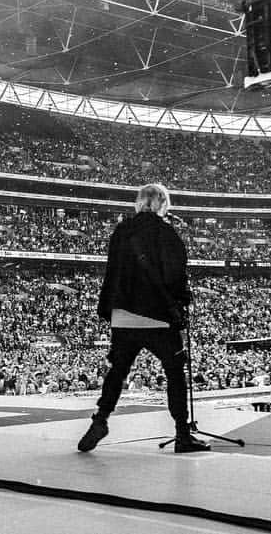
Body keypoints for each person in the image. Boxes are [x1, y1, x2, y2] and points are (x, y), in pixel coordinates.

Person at [77, 183, 209, 454]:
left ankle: (100, 419)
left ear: (139, 202)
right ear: (163, 204)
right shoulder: (166, 232)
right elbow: (175, 275)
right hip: (158, 317)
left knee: (117, 371)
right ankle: (182, 434)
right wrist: (182, 304)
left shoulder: (122, 231)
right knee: (174, 374)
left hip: (124, 315)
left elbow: (112, 272)